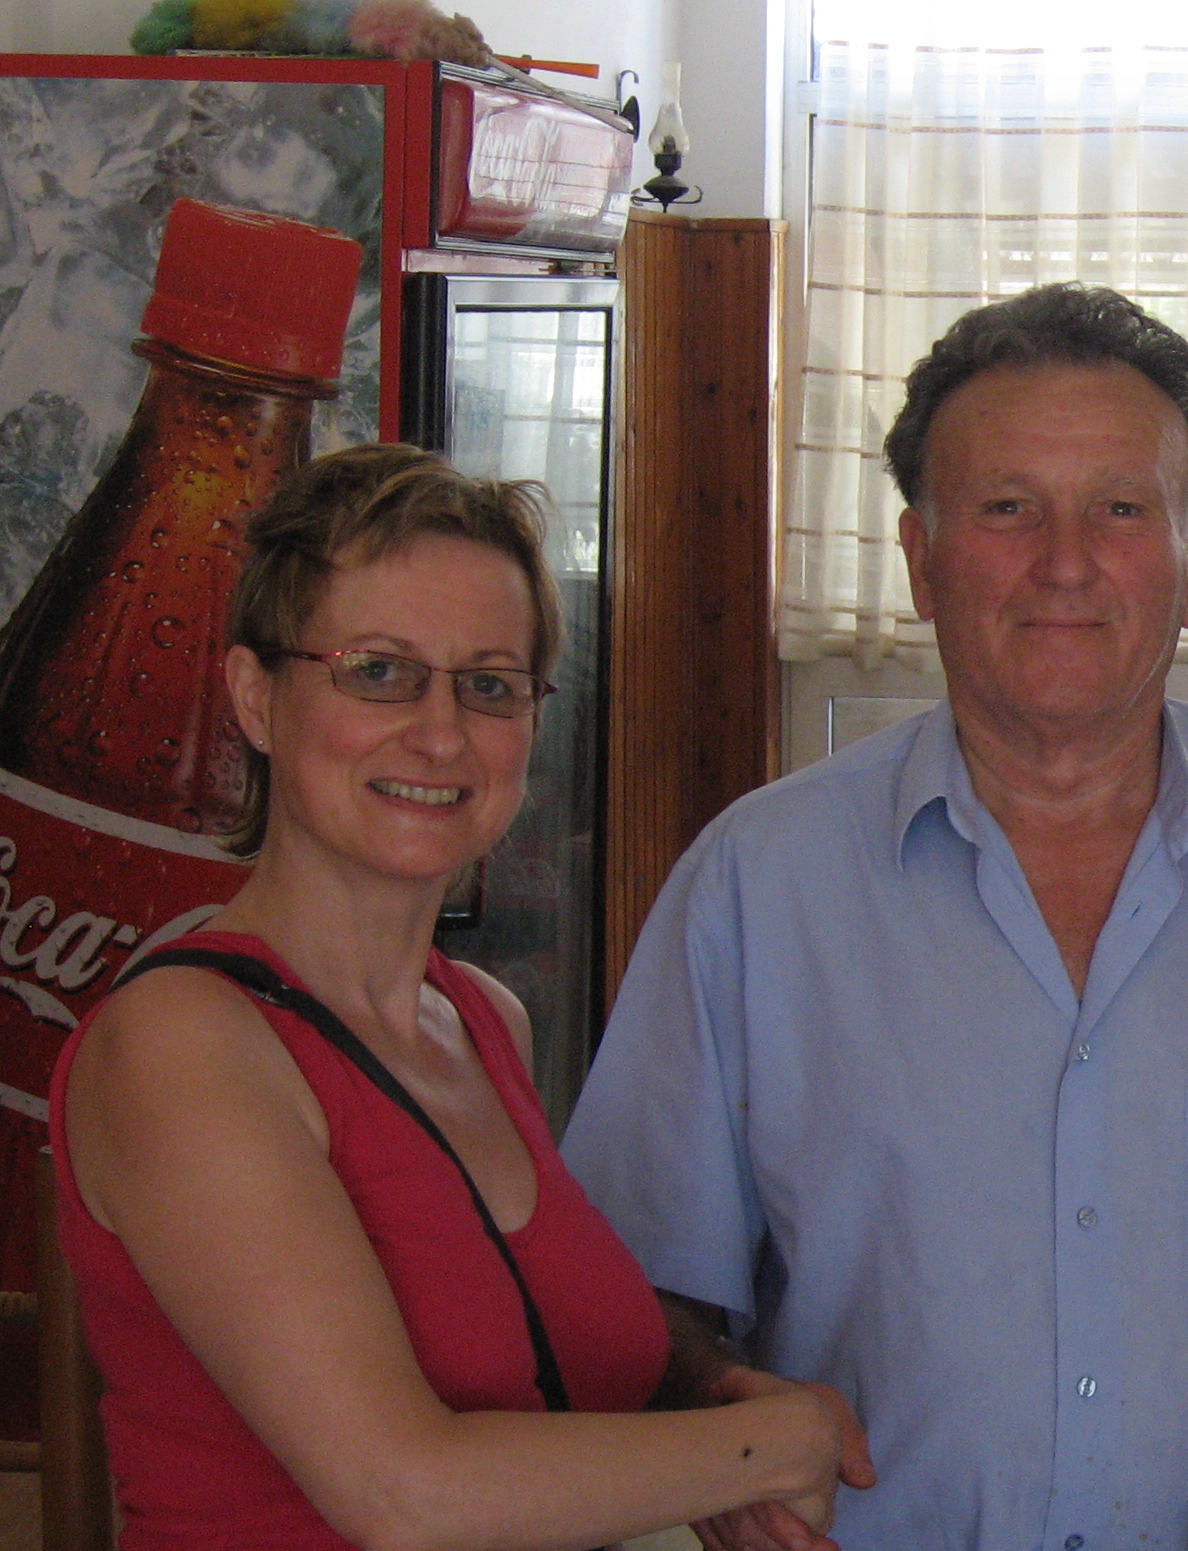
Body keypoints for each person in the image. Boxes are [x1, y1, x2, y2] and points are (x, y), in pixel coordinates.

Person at [560, 283, 1188, 1551]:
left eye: (1119, 509)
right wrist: (709, 1414)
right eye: (1007, 509)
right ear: (919, 562)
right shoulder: (758, 882)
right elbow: (629, 1282)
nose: (1065, 563)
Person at [50, 443, 864, 1551]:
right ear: (254, 697)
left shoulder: (484, 1021)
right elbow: (406, 1496)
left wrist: (702, 1408)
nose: (440, 734)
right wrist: (781, 1443)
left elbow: (531, 1379)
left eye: (488, 685)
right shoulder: (183, 1043)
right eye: (378, 671)